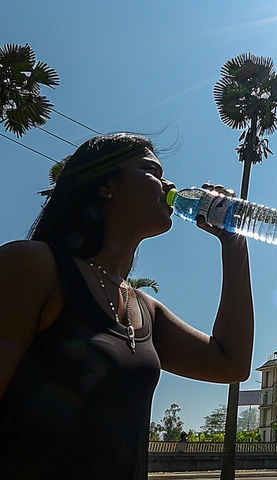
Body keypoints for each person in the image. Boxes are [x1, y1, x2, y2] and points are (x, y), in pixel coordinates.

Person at [0, 133, 254, 479]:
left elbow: (231, 364)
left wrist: (234, 243)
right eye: (152, 170)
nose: (170, 183)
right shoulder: (36, 266)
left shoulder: (144, 308)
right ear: (107, 186)